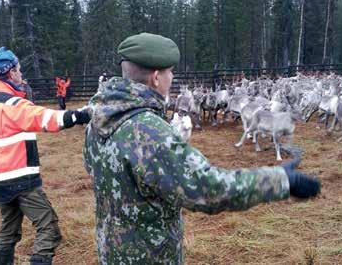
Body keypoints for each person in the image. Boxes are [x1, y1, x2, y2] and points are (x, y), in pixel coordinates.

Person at [83, 33, 321, 264]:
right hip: (148, 256)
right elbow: (209, 189)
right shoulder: (150, 133)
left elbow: (94, 168)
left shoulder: (98, 120)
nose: (172, 77)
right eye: (170, 72)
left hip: (111, 250)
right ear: (156, 78)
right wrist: (281, 180)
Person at [0, 47, 91, 265]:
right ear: (11, 73)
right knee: (48, 227)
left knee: (8, 230)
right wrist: (81, 115)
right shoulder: (11, 104)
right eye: (19, 70)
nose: (21, 74)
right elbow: (45, 118)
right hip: (20, 180)